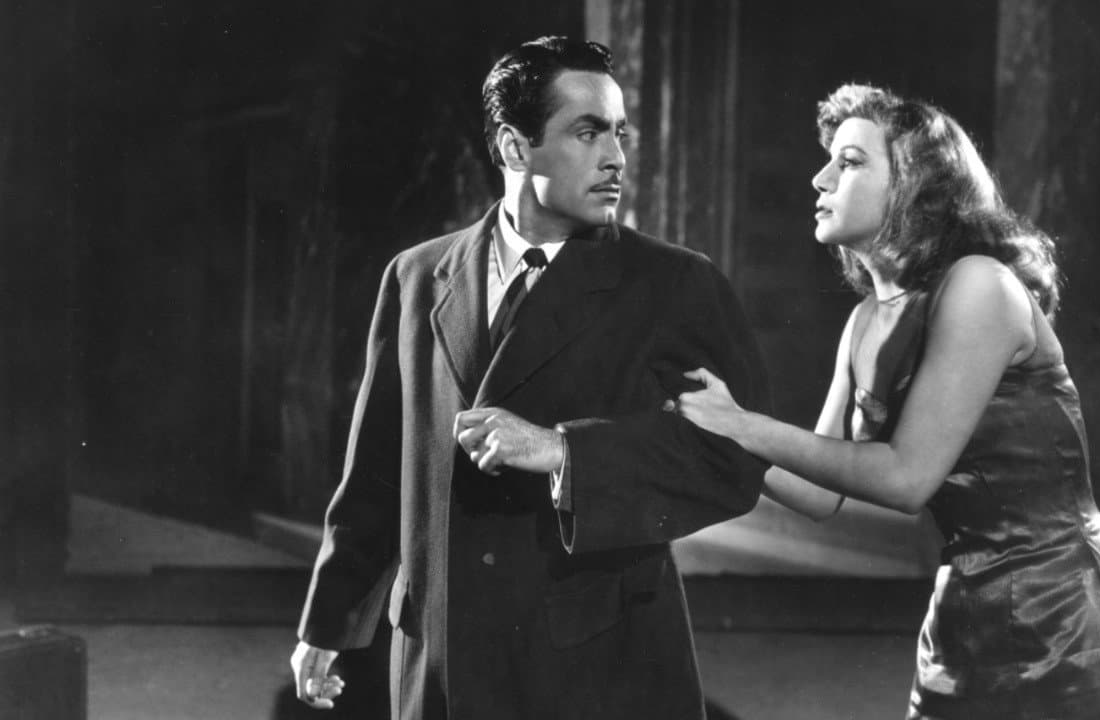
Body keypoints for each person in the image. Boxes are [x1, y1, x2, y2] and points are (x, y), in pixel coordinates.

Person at [290, 36, 769, 719]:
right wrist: (328, 622)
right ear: (515, 148)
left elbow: (735, 459)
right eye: (588, 132)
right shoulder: (418, 276)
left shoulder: (675, 284)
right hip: (443, 656)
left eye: (620, 133)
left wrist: (565, 452)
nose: (616, 156)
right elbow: (375, 471)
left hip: (596, 663)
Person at [672, 83, 1100, 718]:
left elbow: (907, 478)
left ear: (915, 184)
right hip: (964, 619)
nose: (820, 179)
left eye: (850, 162)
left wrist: (744, 426)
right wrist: (706, 426)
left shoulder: (979, 286)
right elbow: (818, 493)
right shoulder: (864, 322)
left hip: (1076, 621)